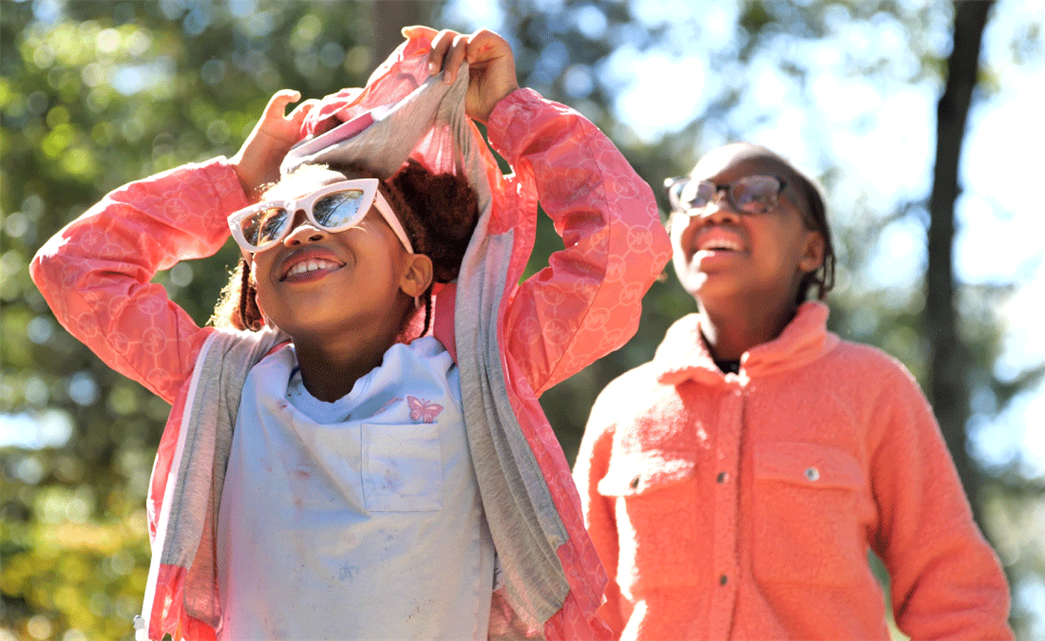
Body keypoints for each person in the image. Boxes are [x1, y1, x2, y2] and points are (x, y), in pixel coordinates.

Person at [31, 26, 671, 641]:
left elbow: (623, 244)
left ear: (414, 270)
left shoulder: (482, 374)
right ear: (255, 283)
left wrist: (509, 110)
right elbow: (74, 268)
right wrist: (235, 181)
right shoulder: (221, 385)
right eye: (270, 222)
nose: (300, 231)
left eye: (339, 207)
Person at [573, 142, 1015, 640]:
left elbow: (954, 596)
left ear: (810, 250)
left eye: (755, 196)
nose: (716, 209)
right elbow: (579, 612)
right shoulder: (621, 407)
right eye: (694, 197)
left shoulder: (873, 389)